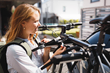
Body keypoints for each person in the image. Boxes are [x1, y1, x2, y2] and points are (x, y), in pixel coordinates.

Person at [5, 4, 66, 73]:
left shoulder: (34, 40)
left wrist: (46, 51)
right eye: (35, 21)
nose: (39, 24)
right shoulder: (14, 49)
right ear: (23, 23)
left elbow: (42, 65)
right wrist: (54, 57)